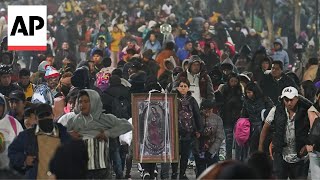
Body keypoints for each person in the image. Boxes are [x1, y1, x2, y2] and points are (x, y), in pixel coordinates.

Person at [66, 89, 132, 179]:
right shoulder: (73, 121)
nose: (82, 105)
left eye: (86, 101)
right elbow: (59, 136)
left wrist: (108, 133)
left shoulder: (105, 119)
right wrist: (69, 135)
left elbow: (127, 125)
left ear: (94, 102)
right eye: (80, 101)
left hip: (101, 169)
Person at [259, 86, 317, 179]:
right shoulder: (276, 110)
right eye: (286, 100)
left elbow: (315, 130)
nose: (289, 103)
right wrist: (260, 148)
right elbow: (265, 128)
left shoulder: (306, 111)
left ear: (297, 99)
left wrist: (307, 145)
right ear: (282, 99)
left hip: (300, 157)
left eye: (291, 100)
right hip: (281, 155)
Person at [8, 103, 71, 179]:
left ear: (53, 116)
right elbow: (12, 151)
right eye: (41, 116)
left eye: (47, 115)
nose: (45, 118)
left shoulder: (64, 134)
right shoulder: (27, 135)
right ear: (36, 119)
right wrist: (24, 160)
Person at [171, 79, 203, 179]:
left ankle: (182, 173)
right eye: (181, 86)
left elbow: (197, 115)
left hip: (189, 131)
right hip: (175, 132)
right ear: (177, 87)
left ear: (188, 88)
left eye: (185, 86)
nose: (183, 88)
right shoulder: (172, 99)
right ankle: (174, 173)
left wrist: (199, 129)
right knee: (175, 155)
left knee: (185, 155)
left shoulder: (192, 100)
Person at [194, 99, 225, 177]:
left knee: (213, 174)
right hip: (199, 150)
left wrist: (211, 151)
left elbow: (220, 137)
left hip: (212, 150)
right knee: (200, 173)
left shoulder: (217, 119)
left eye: (210, 110)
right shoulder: (196, 118)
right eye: (205, 110)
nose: (208, 112)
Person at [242, 82, 274, 154]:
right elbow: (244, 115)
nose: (248, 94)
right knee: (252, 148)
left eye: (250, 92)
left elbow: (272, 111)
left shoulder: (264, 99)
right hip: (251, 127)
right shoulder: (246, 102)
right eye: (247, 93)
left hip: (264, 126)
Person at [0, 93, 23, 170]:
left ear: (4, 106)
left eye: (0, 105)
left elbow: (22, 146)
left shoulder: (13, 122)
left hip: (10, 171)